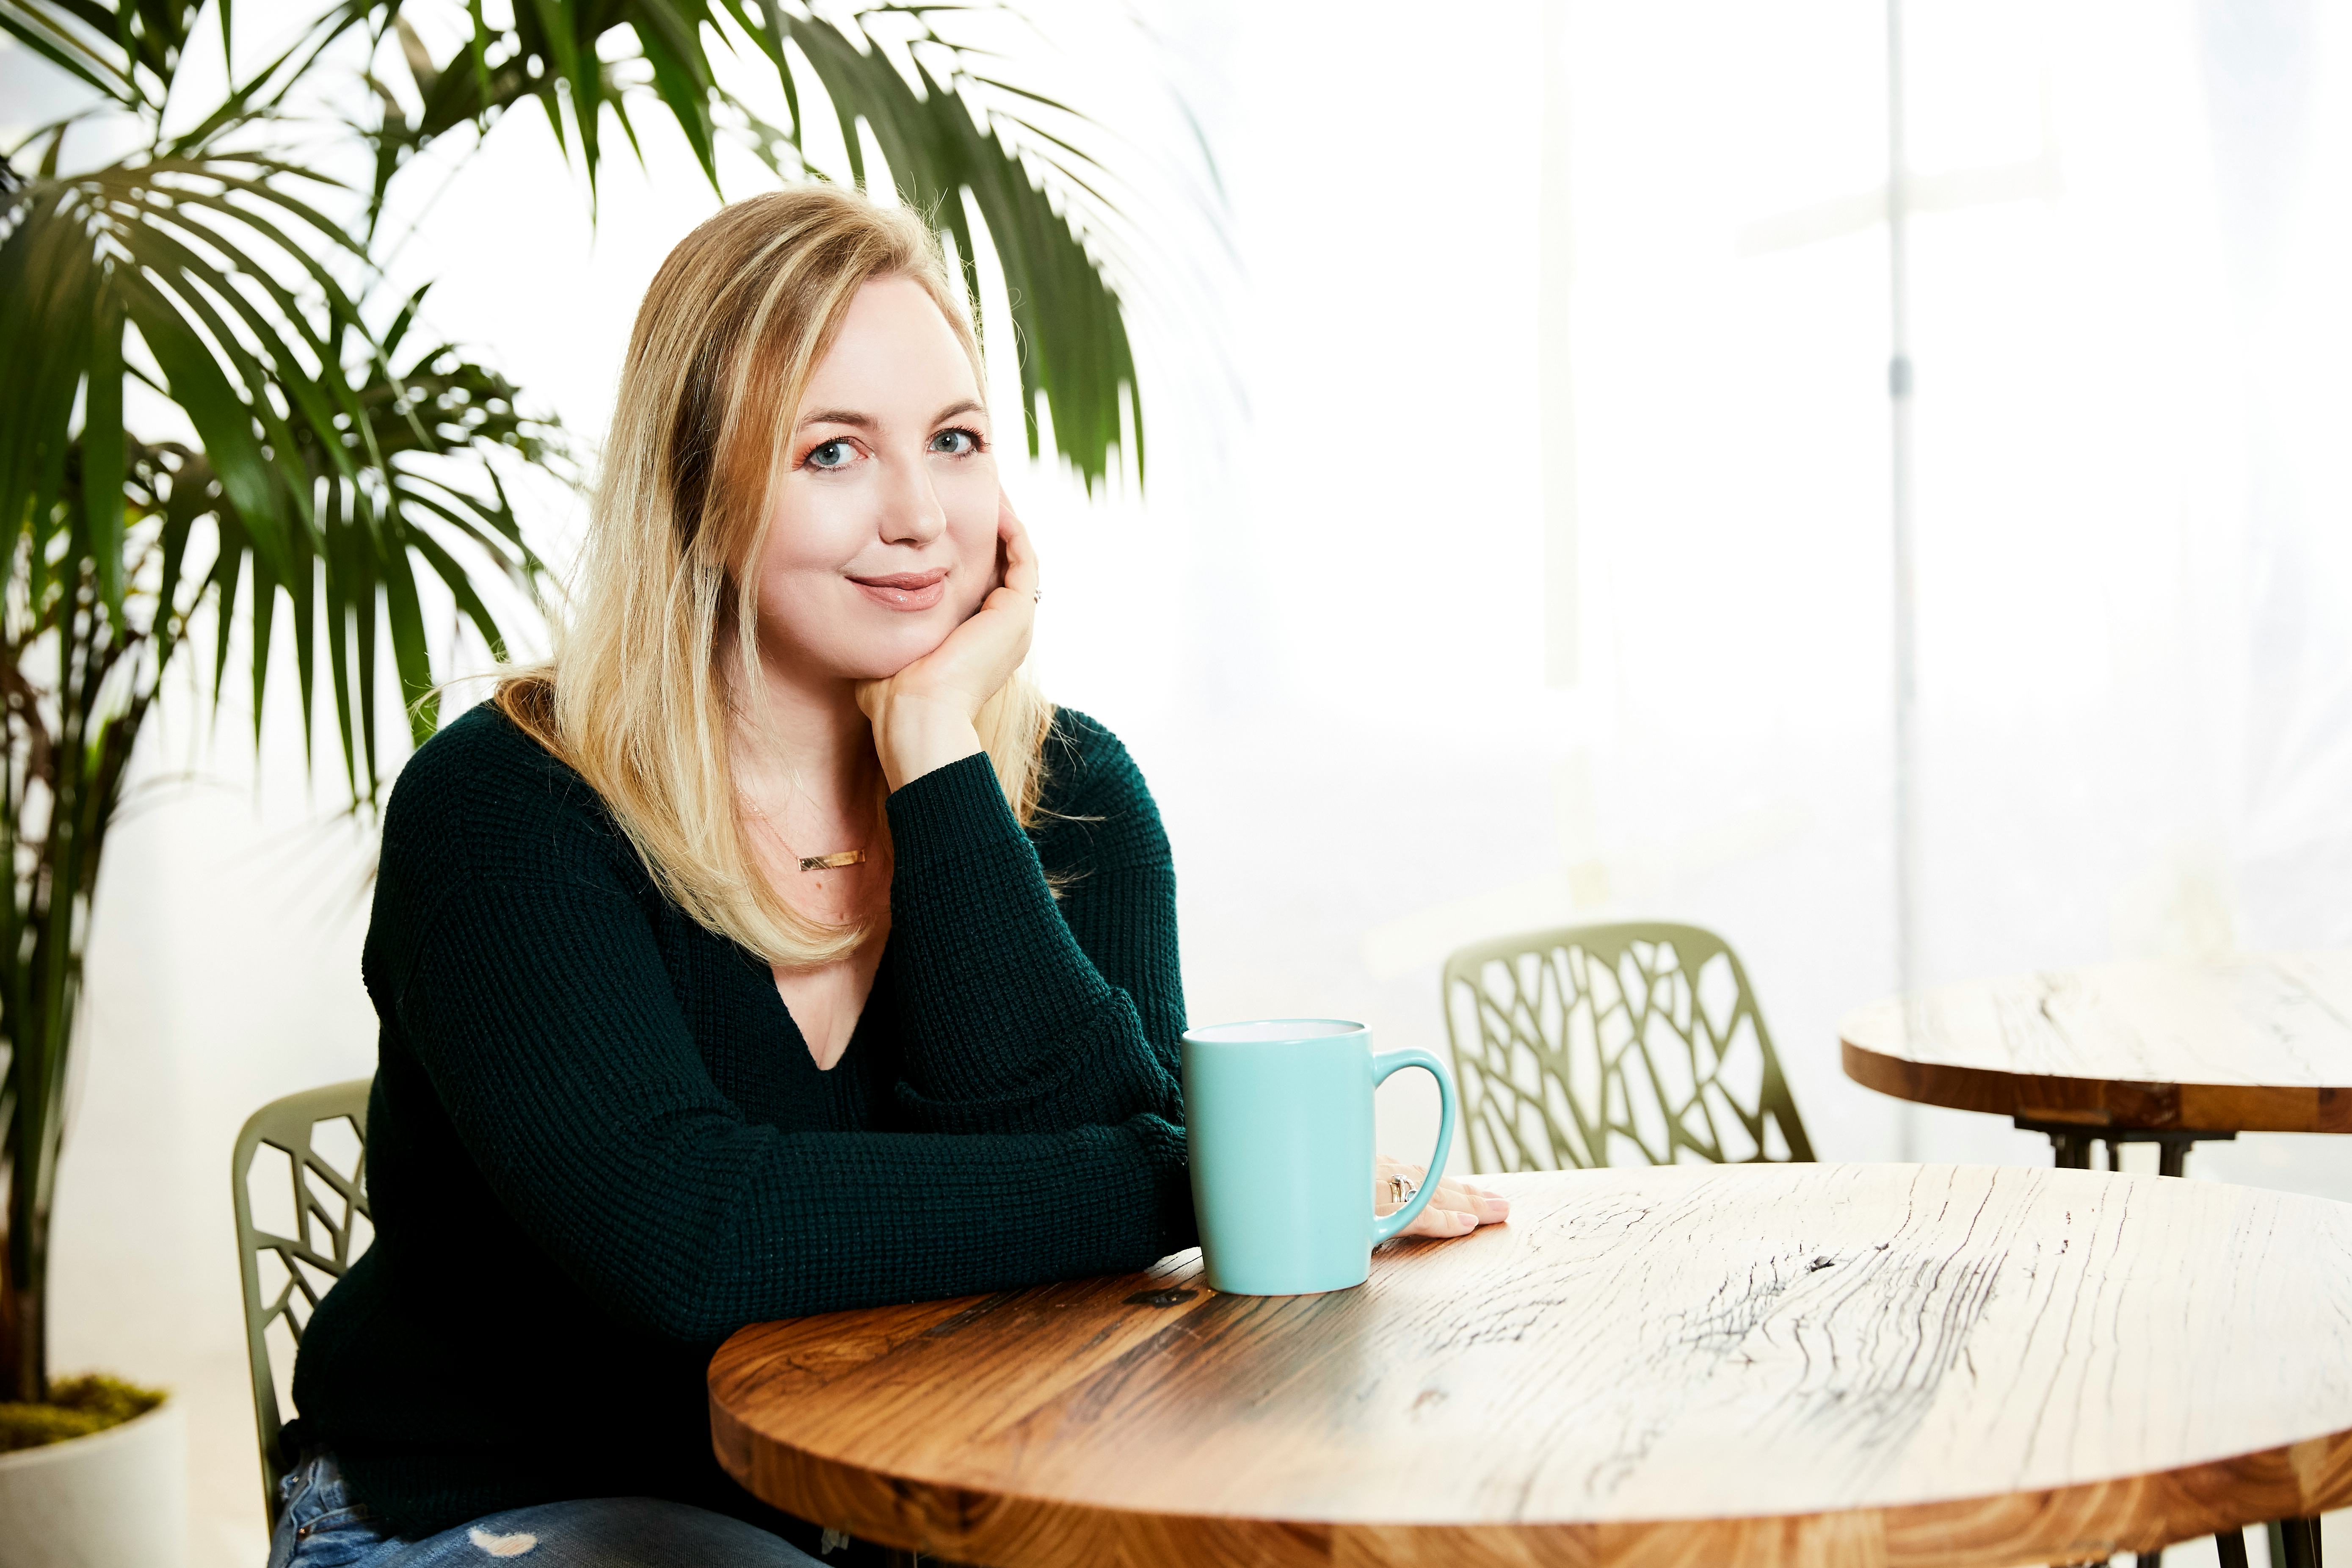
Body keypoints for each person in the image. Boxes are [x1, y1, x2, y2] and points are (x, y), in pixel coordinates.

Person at [267, 185, 1508, 1568]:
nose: (921, 515)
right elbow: (691, 1240)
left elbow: (1094, 1237)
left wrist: (934, 760)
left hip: (913, 1514)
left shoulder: (1070, 797)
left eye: (956, 441)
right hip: (504, 1508)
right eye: (834, 452)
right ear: (698, 495)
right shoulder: (511, 804)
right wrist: (1205, 1180)